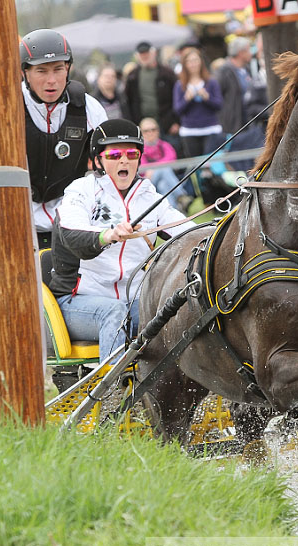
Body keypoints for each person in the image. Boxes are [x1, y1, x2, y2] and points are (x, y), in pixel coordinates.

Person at [50, 118, 195, 363]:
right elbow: (70, 232)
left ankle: (169, 390)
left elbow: (187, 230)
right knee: (113, 312)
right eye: (115, 154)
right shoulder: (81, 190)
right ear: (99, 159)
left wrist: (222, 228)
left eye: (131, 153)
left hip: (134, 302)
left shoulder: (149, 196)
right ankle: (113, 393)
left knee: (182, 307)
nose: (124, 160)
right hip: (76, 303)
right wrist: (108, 235)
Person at [19, 29, 108, 248]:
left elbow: (109, 166)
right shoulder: (7, 106)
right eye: (41, 71)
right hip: (20, 225)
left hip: (71, 225)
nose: (51, 80)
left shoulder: (89, 108)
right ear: (25, 73)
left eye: (58, 69)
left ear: (68, 68)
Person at [123, 41, 179, 145]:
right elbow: (128, 102)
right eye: (141, 54)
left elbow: (177, 98)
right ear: (137, 56)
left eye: (146, 53)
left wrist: (176, 122)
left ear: (153, 53)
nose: (144, 56)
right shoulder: (133, 76)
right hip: (143, 125)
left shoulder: (167, 73)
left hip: (167, 124)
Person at [173, 48, 224, 159]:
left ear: (201, 61)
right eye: (189, 61)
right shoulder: (179, 85)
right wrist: (187, 99)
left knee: (210, 164)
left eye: (195, 60)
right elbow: (177, 110)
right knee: (194, 166)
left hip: (210, 129)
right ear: (184, 64)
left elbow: (219, 105)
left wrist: (207, 97)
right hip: (189, 131)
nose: (193, 64)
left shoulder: (211, 82)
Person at [139, 117, 194, 211]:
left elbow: (171, 159)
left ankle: (172, 211)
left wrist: (153, 168)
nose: (150, 133)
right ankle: (181, 195)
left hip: (164, 180)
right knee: (164, 168)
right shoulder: (139, 148)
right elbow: (142, 168)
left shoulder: (165, 145)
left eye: (153, 129)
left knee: (163, 184)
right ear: (141, 133)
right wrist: (157, 168)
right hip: (147, 182)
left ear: (158, 131)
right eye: (146, 130)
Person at [216, 36, 254, 137]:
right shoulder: (224, 71)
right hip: (232, 127)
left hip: (248, 124)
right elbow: (216, 97)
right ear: (241, 53)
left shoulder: (247, 69)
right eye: (249, 49)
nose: (251, 52)